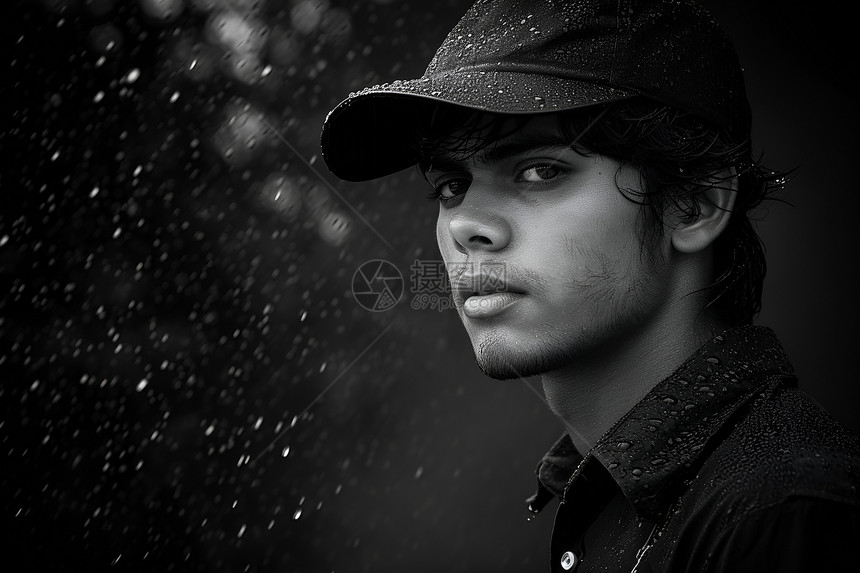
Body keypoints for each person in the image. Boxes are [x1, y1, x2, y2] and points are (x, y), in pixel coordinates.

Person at [319, 0, 860, 571]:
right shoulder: (613, 498)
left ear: (695, 203)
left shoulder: (781, 518)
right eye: (452, 185)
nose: (465, 225)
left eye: (539, 171)